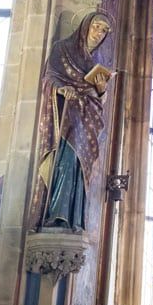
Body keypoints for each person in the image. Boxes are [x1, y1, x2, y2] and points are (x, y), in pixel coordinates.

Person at [35, 12, 113, 231]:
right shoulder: (62, 49)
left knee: (79, 167)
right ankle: (56, 215)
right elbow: (49, 76)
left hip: (83, 124)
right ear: (85, 26)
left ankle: (74, 217)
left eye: (104, 31)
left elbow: (97, 100)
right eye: (97, 27)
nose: (99, 33)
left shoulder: (93, 63)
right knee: (65, 163)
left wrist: (100, 91)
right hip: (65, 118)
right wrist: (62, 88)